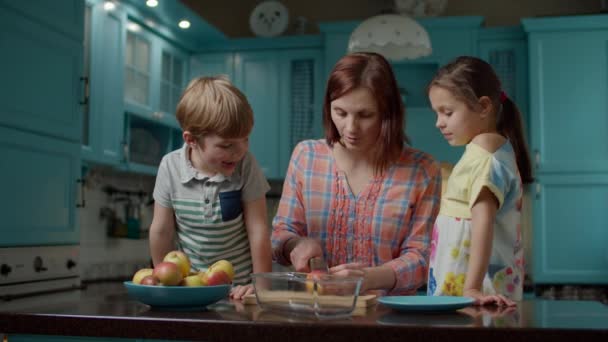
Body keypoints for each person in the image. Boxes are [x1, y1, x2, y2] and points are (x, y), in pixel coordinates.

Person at [271, 52, 442, 295]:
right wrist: (296, 244)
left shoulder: (422, 170)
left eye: (365, 115)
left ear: (387, 113)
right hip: (313, 314)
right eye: (340, 112)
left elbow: (422, 256)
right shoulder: (306, 156)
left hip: (389, 320)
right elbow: (280, 234)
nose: (350, 128)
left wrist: (370, 278)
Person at [149, 76, 272, 300]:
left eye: (245, 139)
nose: (240, 150)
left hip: (240, 290)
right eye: (227, 145)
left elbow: (258, 228)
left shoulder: (246, 165)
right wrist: (163, 279)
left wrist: (261, 286)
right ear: (192, 140)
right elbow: (162, 231)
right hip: (191, 288)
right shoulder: (170, 166)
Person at [426, 56, 533, 306]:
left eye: (447, 112)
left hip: (476, 296)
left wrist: (472, 288)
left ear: (484, 107)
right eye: (437, 113)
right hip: (470, 292)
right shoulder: (483, 152)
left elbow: (482, 222)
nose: (439, 122)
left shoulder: (485, 159)